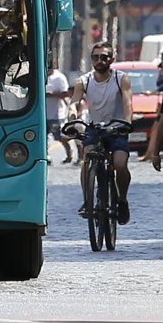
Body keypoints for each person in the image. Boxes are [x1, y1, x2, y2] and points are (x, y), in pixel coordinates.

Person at [68, 41, 134, 224]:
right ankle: (87, 202)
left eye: (104, 57)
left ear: (111, 59)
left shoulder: (122, 79)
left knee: (120, 164)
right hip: (95, 128)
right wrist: (72, 117)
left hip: (117, 128)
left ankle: (122, 200)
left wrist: (127, 123)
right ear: (91, 60)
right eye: (96, 57)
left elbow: (128, 104)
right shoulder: (84, 81)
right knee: (87, 159)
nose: (100, 61)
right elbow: (74, 102)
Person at [45, 64, 73, 164]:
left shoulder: (59, 77)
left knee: (60, 136)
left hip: (56, 114)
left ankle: (70, 154)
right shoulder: (41, 75)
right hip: (43, 113)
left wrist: (50, 95)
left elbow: (66, 94)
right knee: (43, 137)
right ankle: (46, 156)